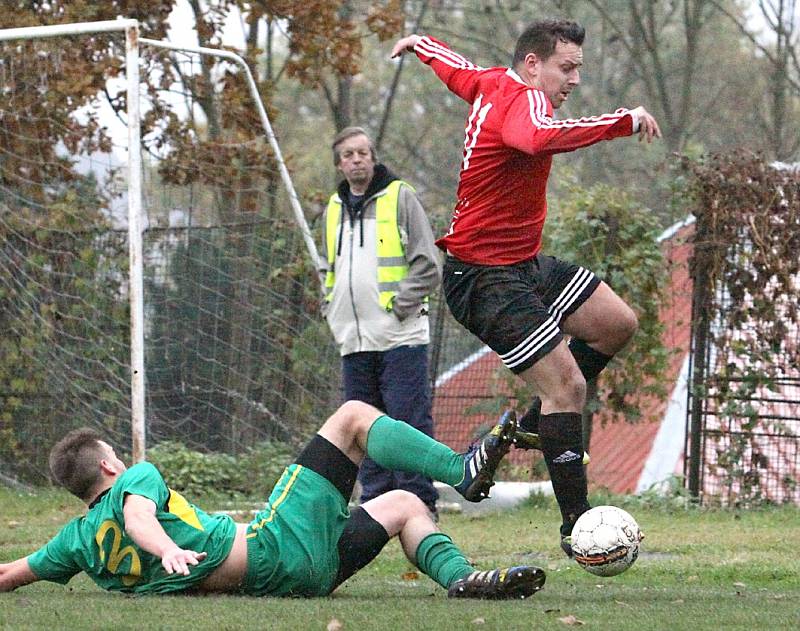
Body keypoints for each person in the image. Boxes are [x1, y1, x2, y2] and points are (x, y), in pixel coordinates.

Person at [390, 20, 662, 555]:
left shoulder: (493, 82)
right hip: (484, 279)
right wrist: (622, 121)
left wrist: (421, 44)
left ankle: (539, 426)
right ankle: (579, 528)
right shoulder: (525, 103)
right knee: (568, 389)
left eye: (578, 67)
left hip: (523, 266)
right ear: (533, 65)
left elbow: (458, 72)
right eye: (568, 67)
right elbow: (537, 138)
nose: (575, 79)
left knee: (616, 325)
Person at [0, 402, 544, 599]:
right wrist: (164, 547)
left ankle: (460, 579)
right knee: (353, 416)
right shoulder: (131, 480)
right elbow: (139, 515)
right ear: (107, 467)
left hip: (301, 579)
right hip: (273, 548)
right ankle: (462, 471)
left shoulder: (74, 542)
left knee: (403, 503)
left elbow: (11, 575)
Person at [321, 127, 442, 516]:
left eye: (362, 153)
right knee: (363, 428)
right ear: (339, 164)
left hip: (400, 336)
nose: (356, 160)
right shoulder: (333, 208)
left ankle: (420, 502)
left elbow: (428, 262)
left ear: (373, 157)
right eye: (348, 155)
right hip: (354, 340)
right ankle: (374, 504)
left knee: (407, 422)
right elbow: (330, 269)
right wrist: (332, 308)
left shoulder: (399, 197)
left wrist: (399, 307)